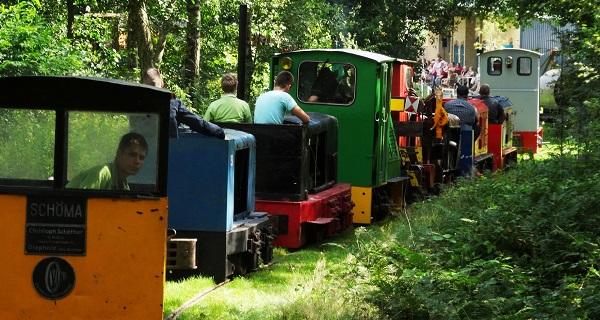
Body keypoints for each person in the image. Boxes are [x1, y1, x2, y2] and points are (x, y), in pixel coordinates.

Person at [142, 68, 225, 139]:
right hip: (166, 149)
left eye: (153, 84)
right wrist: (219, 131)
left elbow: (195, 121)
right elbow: (195, 122)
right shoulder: (172, 102)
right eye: (148, 86)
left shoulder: (139, 102)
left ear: (162, 84)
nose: (151, 88)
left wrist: (217, 131)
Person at [66, 132, 148, 190]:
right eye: (132, 155)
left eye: (141, 158)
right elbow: (84, 206)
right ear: (119, 154)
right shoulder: (100, 174)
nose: (137, 161)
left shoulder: (124, 186)